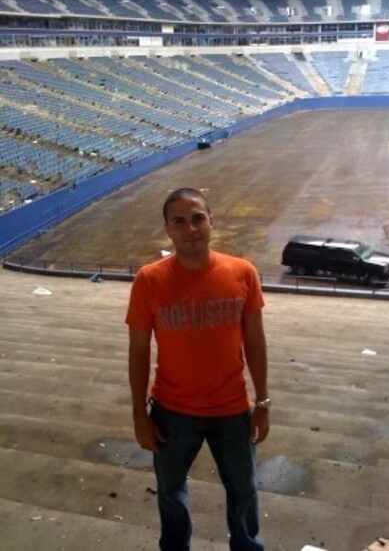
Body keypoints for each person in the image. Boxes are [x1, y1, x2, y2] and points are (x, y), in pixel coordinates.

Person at [126, 187, 270, 551]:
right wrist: (139, 415)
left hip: (232, 410)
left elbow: (255, 341)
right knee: (170, 492)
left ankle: (247, 546)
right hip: (171, 413)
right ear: (167, 229)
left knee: (244, 490)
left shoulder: (242, 273)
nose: (190, 228)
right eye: (180, 221)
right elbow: (139, 350)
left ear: (211, 222)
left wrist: (263, 402)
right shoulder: (149, 280)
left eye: (197, 218)